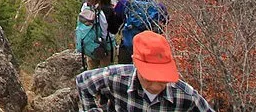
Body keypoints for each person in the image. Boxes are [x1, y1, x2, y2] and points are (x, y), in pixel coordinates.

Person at [75, 31, 214, 112]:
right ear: (135, 63)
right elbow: (83, 82)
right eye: (149, 78)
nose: (156, 86)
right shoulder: (116, 78)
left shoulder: (185, 96)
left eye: (162, 79)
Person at [114, 0, 168, 64]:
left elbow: (116, 17)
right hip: (148, 49)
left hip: (128, 46)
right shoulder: (158, 5)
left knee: (126, 72)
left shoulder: (125, 1)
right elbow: (166, 21)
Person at [76, 0, 122, 68]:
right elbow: (113, 30)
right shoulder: (107, 9)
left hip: (91, 45)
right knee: (105, 73)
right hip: (106, 46)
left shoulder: (86, 5)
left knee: (91, 71)